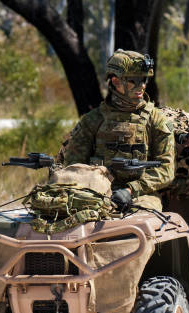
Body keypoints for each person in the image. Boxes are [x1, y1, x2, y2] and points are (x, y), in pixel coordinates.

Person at [57, 49, 175, 212]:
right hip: (95, 191)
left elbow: (166, 170)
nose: (141, 86)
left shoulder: (156, 120)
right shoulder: (93, 120)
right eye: (133, 80)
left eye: (144, 79)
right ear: (115, 81)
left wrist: (130, 190)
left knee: (140, 221)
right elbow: (73, 166)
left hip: (140, 195)